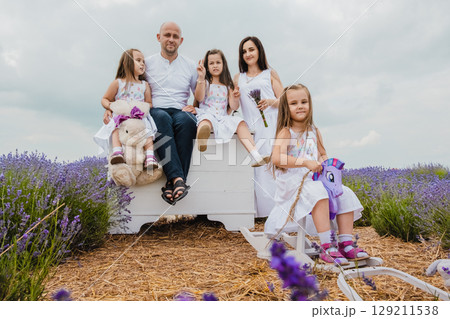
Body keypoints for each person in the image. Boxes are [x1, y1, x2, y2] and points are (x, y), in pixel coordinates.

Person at [265, 83, 369, 265]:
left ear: (310, 105)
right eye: (294, 103)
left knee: (345, 193)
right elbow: (276, 157)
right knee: (318, 194)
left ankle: (346, 243)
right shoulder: (286, 132)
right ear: (285, 108)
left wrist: (326, 163)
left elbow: (322, 153)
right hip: (295, 181)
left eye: (304, 102)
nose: (300, 106)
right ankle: (327, 246)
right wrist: (304, 162)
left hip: (316, 179)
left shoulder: (314, 131)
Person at [144, 22, 198, 205]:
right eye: (167, 35)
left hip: (180, 110)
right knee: (160, 118)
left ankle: (172, 182)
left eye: (175, 36)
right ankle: (179, 180)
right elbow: (133, 86)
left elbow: (198, 94)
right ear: (158, 37)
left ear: (181, 40)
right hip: (157, 109)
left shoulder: (190, 65)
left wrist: (195, 106)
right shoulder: (148, 63)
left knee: (187, 121)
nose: (171, 39)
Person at [233, 36, 283, 217]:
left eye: (251, 49)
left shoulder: (270, 73)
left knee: (276, 166)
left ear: (259, 51)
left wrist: (270, 102)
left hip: (271, 124)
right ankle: (263, 212)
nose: (248, 54)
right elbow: (234, 106)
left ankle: (282, 210)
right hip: (252, 126)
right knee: (259, 171)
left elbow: (284, 100)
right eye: (244, 51)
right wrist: (236, 96)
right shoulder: (238, 77)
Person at [195, 49, 269, 167]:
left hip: (223, 116)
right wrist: (200, 77)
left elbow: (234, 107)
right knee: (205, 122)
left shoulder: (228, 84)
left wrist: (235, 97)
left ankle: (256, 155)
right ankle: (202, 139)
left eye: (218, 62)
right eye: (211, 63)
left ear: (223, 64)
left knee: (240, 122)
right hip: (207, 113)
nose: (215, 66)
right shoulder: (205, 82)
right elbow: (199, 98)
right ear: (206, 66)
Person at [94, 48, 158, 170]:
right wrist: (111, 107)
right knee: (115, 126)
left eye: (143, 61)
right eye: (138, 60)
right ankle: (117, 152)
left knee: (148, 131)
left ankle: (150, 156)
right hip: (123, 114)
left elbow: (149, 103)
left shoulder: (144, 85)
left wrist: (140, 108)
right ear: (126, 63)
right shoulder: (118, 83)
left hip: (138, 116)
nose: (142, 64)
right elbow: (105, 98)